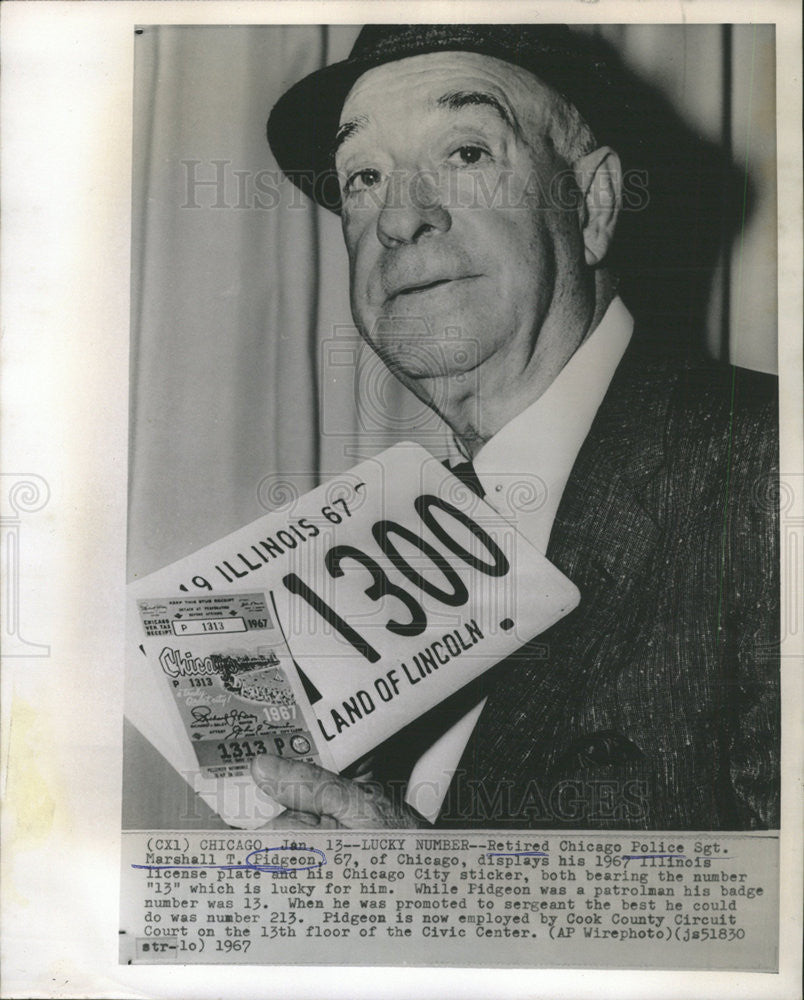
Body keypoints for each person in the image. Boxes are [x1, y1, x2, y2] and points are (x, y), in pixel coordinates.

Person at [249, 24, 779, 830]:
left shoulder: (773, 471)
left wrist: (431, 912)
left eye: (466, 154)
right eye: (362, 177)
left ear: (594, 204)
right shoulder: (369, 560)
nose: (399, 218)